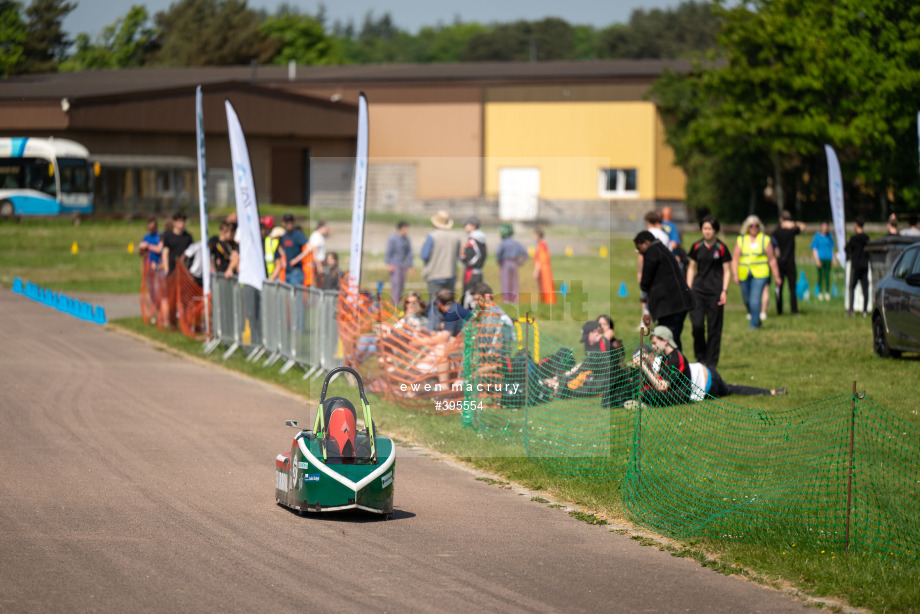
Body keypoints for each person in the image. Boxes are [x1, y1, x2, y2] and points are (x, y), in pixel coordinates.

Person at [630, 326, 786, 407]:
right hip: (702, 375)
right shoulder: (664, 357)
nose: (653, 345)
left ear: (665, 341)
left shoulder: (676, 358)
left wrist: (644, 366)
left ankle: (771, 392)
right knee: (732, 389)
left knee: (730, 390)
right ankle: (771, 392)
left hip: (709, 382)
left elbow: (662, 387)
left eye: (655, 342)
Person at [634, 230, 693, 350]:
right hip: (680, 304)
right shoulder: (661, 249)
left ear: (646, 242)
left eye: (639, 248)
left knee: (666, 338)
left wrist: (644, 297)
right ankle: (676, 365)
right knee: (673, 338)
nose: (640, 252)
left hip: (671, 306)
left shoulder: (652, 252)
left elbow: (646, 280)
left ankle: (675, 366)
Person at [686, 215, 731, 367]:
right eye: (704, 228)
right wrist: (688, 288)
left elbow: (727, 271)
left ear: (715, 230)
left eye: (710, 229)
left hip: (715, 292)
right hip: (698, 291)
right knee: (697, 325)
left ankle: (711, 362)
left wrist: (724, 291)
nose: (707, 231)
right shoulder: (696, 246)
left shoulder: (722, 248)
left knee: (714, 328)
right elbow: (691, 268)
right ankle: (700, 357)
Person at [732, 215, 781, 329]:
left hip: (761, 273)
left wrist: (777, 276)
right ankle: (756, 318)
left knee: (755, 298)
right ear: (747, 227)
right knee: (747, 299)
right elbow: (735, 258)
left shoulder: (765, 239)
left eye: (756, 226)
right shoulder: (741, 240)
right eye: (751, 226)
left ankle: (753, 324)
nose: (754, 228)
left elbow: (772, 259)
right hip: (744, 273)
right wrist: (735, 274)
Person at [161, 211, 194, 330]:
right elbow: (165, 252)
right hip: (172, 271)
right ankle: (172, 324)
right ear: (174, 222)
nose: (181, 223)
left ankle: (185, 323)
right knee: (172, 299)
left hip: (184, 272)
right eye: (179, 221)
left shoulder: (188, 237)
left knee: (186, 299)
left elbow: (191, 253)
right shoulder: (168, 236)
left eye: (183, 221)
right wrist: (166, 268)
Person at [771, 210, 807, 316]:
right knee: (792, 288)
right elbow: (803, 227)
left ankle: (779, 310)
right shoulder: (792, 230)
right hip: (790, 263)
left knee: (779, 287)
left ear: (780, 219)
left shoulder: (776, 231)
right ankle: (794, 310)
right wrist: (794, 224)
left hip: (779, 263)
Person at [420, 210, 461, 300]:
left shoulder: (431, 237)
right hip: (451, 274)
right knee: (449, 304)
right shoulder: (456, 237)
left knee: (435, 304)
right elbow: (460, 256)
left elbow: (424, 255)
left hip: (434, 274)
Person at [844, 216, 871, 317]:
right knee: (865, 288)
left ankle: (851, 309)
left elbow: (846, 249)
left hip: (855, 266)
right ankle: (865, 310)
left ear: (856, 224)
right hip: (864, 265)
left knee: (852, 287)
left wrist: (852, 253)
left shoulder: (853, 239)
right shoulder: (866, 238)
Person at [495, 223, 528, 302]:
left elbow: (498, 253)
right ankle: (514, 299)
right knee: (514, 282)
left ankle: (506, 300)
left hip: (505, 263)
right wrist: (520, 262)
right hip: (514, 263)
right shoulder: (516, 243)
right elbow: (525, 253)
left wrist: (499, 261)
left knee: (505, 281)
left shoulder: (503, 243)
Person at [459, 216, 487, 307]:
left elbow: (472, 257)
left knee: (469, 295)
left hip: (472, 272)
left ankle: (468, 317)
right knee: (477, 294)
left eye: (467, 225)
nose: (465, 227)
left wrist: (463, 256)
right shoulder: (481, 238)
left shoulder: (473, 239)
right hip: (478, 271)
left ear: (473, 226)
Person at [385, 221, 413, 304]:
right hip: (394, 264)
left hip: (403, 264)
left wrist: (410, 266)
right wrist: (389, 264)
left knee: (402, 283)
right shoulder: (392, 239)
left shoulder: (406, 240)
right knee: (396, 283)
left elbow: (409, 253)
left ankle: (399, 300)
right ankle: (394, 301)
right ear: (401, 228)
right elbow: (389, 252)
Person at [279, 213, 308, 286]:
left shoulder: (297, 234)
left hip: (296, 271)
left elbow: (309, 248)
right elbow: (280, 247)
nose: (289, 224)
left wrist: (296, 259)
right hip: (287, 271)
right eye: (287, 222)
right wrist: (283, 258)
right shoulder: (285, 235)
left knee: (296, 296)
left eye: (290, 222)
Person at [811, 221, 836, 301]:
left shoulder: (830, 236)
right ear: (821, 227)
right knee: (821, 276)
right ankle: (820, 292)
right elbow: (814, 248)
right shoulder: (817, 236)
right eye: (824, 226)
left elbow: (832, 248)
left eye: (827, 227)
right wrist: (816, 259)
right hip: (821, 259)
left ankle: (827, 292)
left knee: (828, 276)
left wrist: (834, 258)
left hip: (828, 258)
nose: (826, 228)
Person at [533, 227, 556, 305]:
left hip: (543, 269)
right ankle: (546, 301)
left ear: (538, 235)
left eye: (535, 235)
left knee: (546, 286)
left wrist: (536, 271)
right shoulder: (544, 244)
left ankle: (548, 301)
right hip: (546, 268)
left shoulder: (541, 245)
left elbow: (540, 260)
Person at [304, 220, 331, 288]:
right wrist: (318, 265)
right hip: (317, 263)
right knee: (318, 282)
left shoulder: (320, 236)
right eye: (325, 228)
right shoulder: (316, 236)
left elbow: (330, 234)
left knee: (320, 281)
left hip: (319, 262)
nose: (327, 229)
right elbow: (315, 252)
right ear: (321, 227)